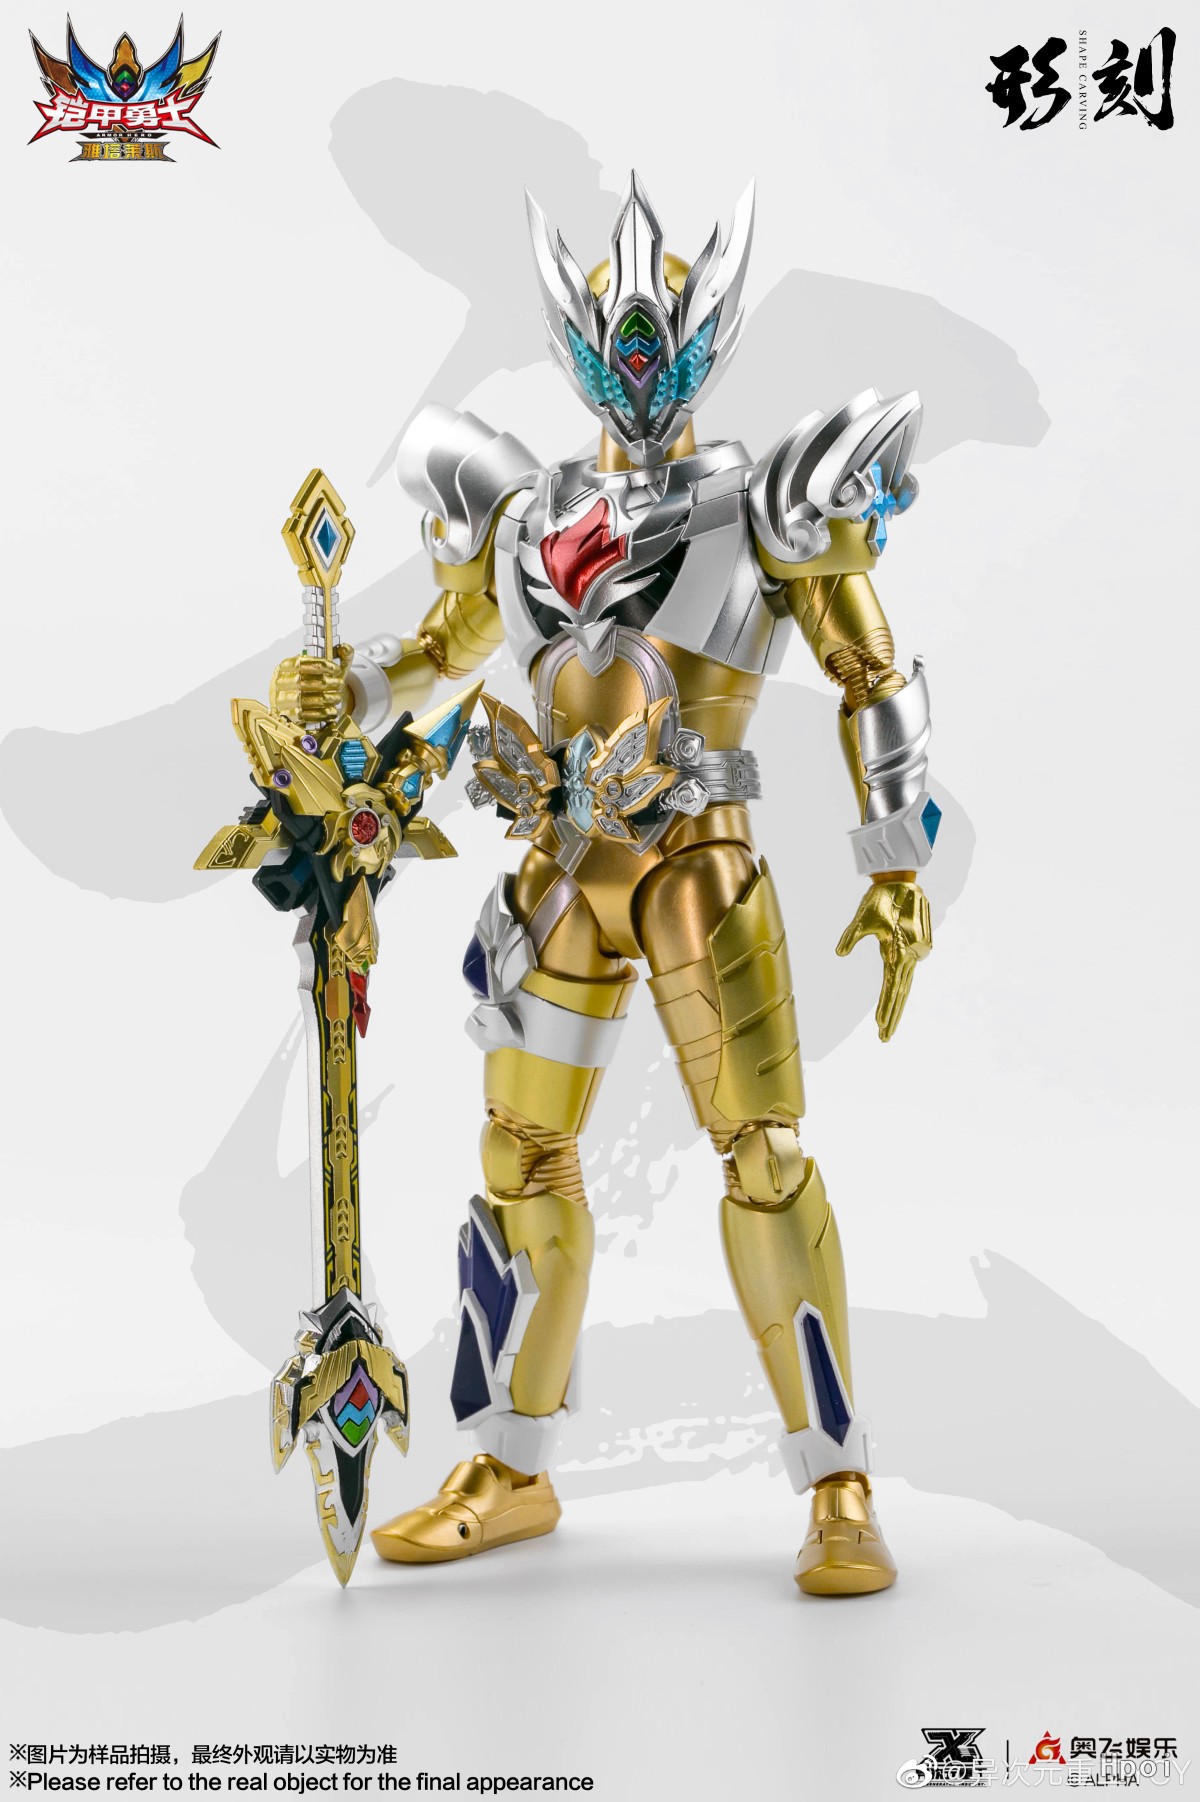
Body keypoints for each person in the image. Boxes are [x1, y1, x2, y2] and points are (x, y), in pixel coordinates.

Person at [270, 173, 938, 1594]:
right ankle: (511, 1466)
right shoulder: (523, 515)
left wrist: (895, 860)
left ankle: (839, 1482)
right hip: (561, 874)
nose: (637, 363)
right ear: (573, 342)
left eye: (659, 336)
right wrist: (349, 691)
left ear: (707, 336)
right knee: (519, 1158)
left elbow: (873, 672)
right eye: (613, 337)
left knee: (763, 1159)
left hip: (699, 866)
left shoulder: (765, 503)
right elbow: (438, 653)